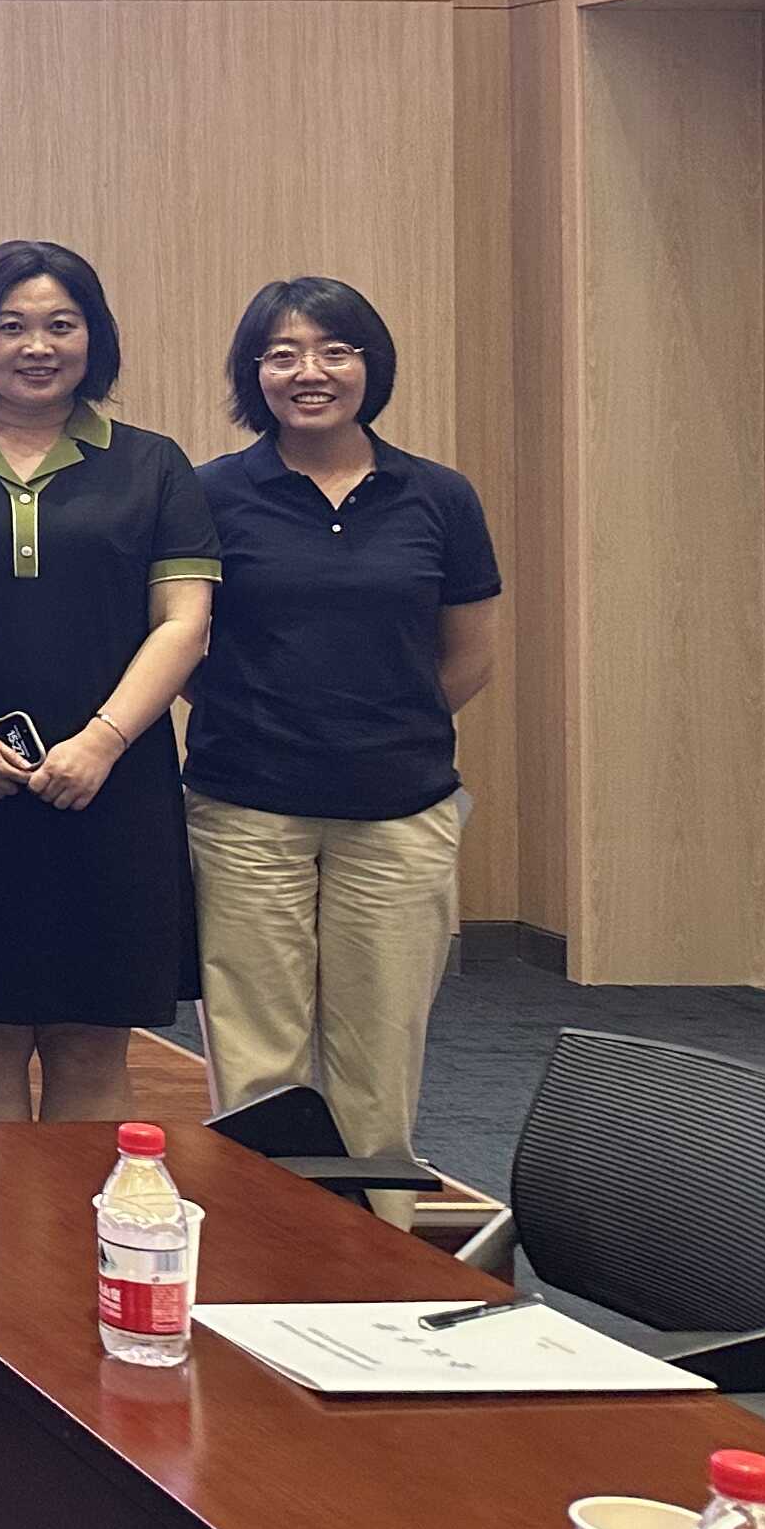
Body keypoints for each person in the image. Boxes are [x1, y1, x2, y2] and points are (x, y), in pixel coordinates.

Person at [182, 278, 499, 1198]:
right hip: (246, 814)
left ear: (371, 365)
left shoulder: (439, 495)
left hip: (399, 816)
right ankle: (265, 1250)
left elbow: (470, 656)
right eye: (281, 354)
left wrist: (378, 728)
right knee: (258, 1070)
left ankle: (378, 1254)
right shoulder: (210, 493)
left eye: (334, 350)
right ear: (254, 373)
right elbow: (185, 646)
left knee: (380, 1061)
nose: (308, 371)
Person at [0, 243, 218, 1125]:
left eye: (61, 325)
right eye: (12, 326)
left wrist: (102, 742)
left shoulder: (153, 464)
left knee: (91, 1041)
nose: (37, 347)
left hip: (114, 792)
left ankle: (85, 1222)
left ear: (93, 338)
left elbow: (183, 623)